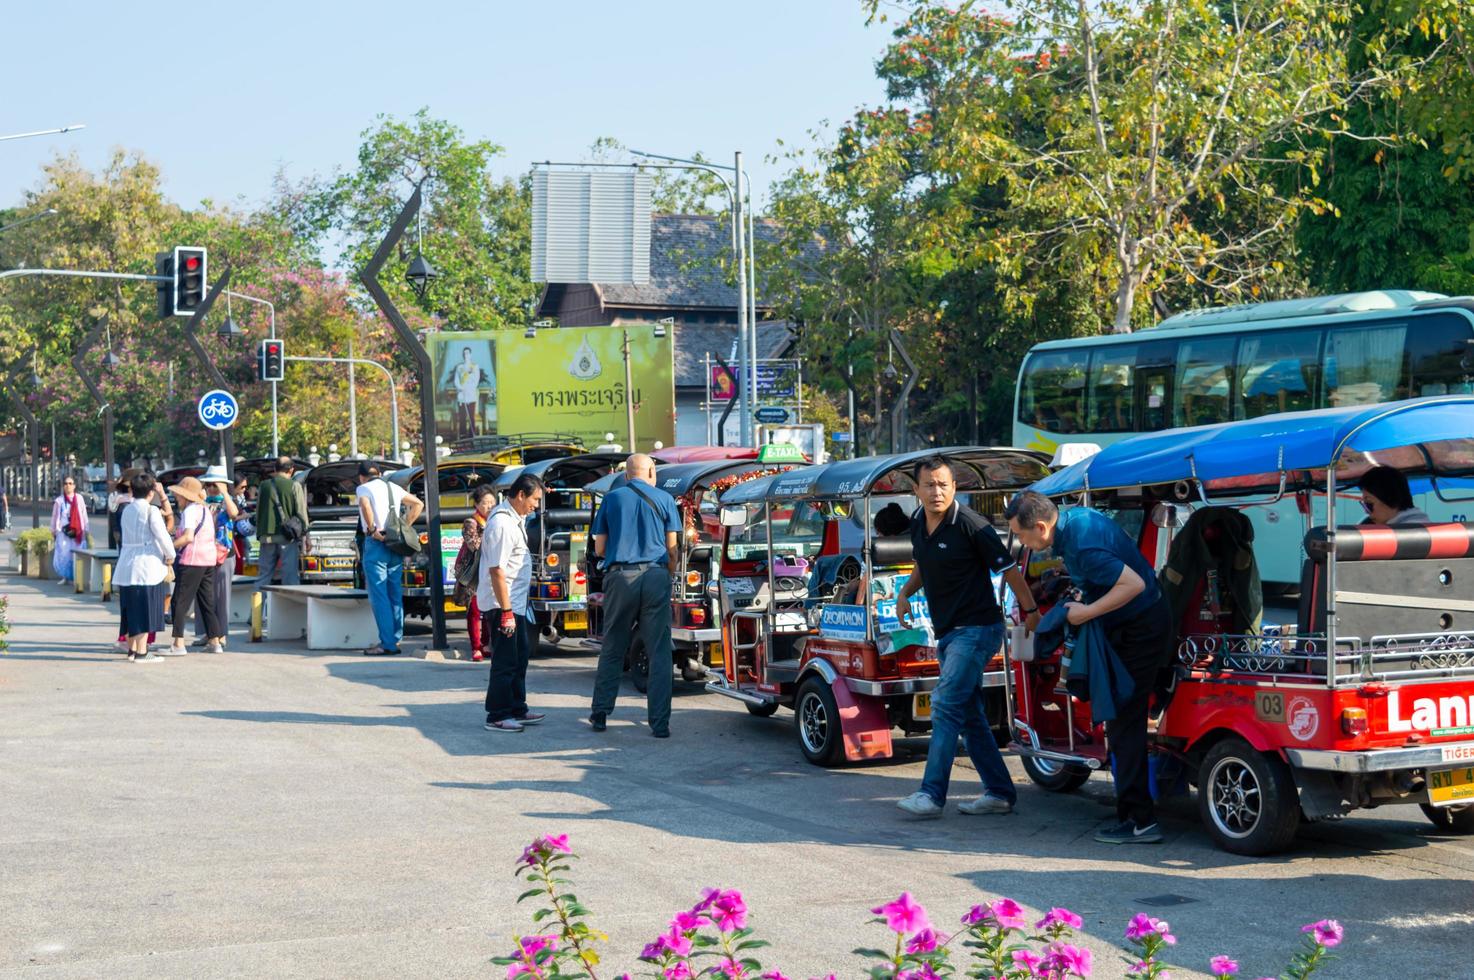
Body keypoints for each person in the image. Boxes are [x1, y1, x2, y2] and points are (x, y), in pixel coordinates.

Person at [1005, 489, 1173, 845]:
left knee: (1124, 720)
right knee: (1120, 719)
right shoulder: (1071, 523)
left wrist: (1086, 611)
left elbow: (1134, 584)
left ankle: (1140, 821)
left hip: (1141, 628)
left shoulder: (1081, 542)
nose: (1023, 543)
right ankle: (1135, 811)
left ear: (1040, 526)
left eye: (1022, 536)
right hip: (1134, 623)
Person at [893, 457, 1037, 819]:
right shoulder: (918, 523)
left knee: (943, 703)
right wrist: (905, 593)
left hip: (977, 629)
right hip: (948, 632)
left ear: (954, 487)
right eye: (929, 485)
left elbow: (1010, 570)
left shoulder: (973, 524)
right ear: (917, 490)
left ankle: (931, 795)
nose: (936, 491)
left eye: (943, 484)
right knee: (970, 715)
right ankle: (1000, 793)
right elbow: (924, 564)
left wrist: (1032, 611)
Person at [588, 453, 682, 738]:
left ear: (627, 474)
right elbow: (673, 548)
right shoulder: (665, 499)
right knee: (659, 651)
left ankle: (601, 713)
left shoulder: (612, 499)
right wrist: (669, 574)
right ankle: (660, 723)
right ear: (651, 472)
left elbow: (600, 549)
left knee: (614, 646)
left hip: (620, 576)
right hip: (655, 575)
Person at [481, 473, 546, 732]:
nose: (536, 506)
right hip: (502, 605)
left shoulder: (514, 519)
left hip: (515, 604)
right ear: (521, 495)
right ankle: (497, 714)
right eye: (534, 499)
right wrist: (506, 611)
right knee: (505, 661)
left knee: (519, 657)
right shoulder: (502, 524)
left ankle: (517, 707)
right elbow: (497, 570)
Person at [355, 461, 424, 656]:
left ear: (361, 476)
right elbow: (419, 504)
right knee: (394, 592)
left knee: (379, 594)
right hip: (395, 543)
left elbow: (365, 505)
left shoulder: (363, 488)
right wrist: (404, 527)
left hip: (377, 542)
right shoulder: (393, 487)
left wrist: (372, 529)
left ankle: (386, 643)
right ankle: (395, 638)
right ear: (379, 473)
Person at [116, 472, 175, 663]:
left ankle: (132, 649)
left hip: (126, 564)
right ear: (151, 492)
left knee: (130, 609)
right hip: (147, 565)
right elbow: (162, 536)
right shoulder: (151, 511)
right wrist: (170, 555)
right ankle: (142, 652)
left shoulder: (126, 509)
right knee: (144, 608)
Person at [166, 476, 226, 655]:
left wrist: (169, 547)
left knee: (179, 602)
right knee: (207, 602)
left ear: (185, 496)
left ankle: (178, 643)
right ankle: (215, 642)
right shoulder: (205, 510)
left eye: (179, 495)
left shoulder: (190, 511)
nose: (177, 498)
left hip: (192, 560)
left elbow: (188, 537)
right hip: (208, 559)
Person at [193, 467, 241, 648]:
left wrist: (224, 491)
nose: (212, 488)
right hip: (203, 553)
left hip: (223, 555)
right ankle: (207, 632)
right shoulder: (202, 502)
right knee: (203, 595)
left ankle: (221, 634)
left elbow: (234, 513)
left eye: (215, 485)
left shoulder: (228, 502)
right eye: (209, 484)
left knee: (221, 596)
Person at [454, 484, 497, 662]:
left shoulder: (495, 520)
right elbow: (475, 545)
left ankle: (486, 644)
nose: (490, 506)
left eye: (492, 502)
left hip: (489, 569)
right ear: (477, 505)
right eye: (486, 503)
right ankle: (476, 646)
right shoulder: (471, 523)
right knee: (474, 610)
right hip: (473, 572)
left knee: (489, 609)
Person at [254, 456, 309, 590]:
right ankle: (289, 609)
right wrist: (306, 534)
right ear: (291, 470)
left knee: (263, 577)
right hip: (287, 538)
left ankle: (257, 610)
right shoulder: (294, 485)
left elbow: (258, 512)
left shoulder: (264, 486)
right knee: (289, 578)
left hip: (266, 537)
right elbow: (301, 512)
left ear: (275, 469)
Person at [1359, 466, 1431, 526]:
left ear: (1390, 498)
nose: (1366, 511)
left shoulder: (1409, 532)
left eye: (1369, 503)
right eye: (1364, 505)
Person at [50, 475, 89, 582]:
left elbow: (83, 514)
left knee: (77, 553)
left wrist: (86, 528)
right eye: (66, 484)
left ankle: (78, 577)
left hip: (77, 532)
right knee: (64, 554)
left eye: (70, 483)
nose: (68, 486)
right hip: (64, 532)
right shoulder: (59, 501)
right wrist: (53, 530)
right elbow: (55, 516)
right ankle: (65, 577)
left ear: (74, 486)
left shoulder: (79, 498)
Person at [453, 346, 483, 439]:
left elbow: (476, 381)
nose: (466, 355)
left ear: (471, 354)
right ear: (463, 355)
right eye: (465, 353)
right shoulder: (459, 367)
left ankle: (471, 436)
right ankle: (462, 436)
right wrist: (460, 387)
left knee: (471, 417)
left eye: (468, 353)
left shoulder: (475, 366)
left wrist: (468, 387)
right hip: (462, 395)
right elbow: (456, 380)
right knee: (462, 417)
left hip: (471, 395)